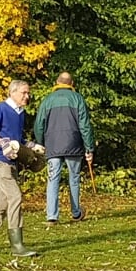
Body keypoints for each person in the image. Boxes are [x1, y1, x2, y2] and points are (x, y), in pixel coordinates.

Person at [0, 79, 38, 256]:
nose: (27, 96)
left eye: (28, 93)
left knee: (3, 201)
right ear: (12, 93)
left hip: (11, 161)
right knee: (15, 196)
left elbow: (15, 139)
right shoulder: (0, 110)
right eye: (24, 93)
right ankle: (17, 245)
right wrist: (0, 142)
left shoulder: (20, 113)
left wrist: (31, 145)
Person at [34, 72, 94, 223]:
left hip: (53, 145)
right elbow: (85, 126)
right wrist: (89, 148)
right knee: (74, 179)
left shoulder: (47, 100)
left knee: (53, 179)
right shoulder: (78, 99)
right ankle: (76, 212)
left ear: (57, 82)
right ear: (72, 83)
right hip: (73, 144)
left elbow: (39, 124)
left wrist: (41, 143)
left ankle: (52, 216)